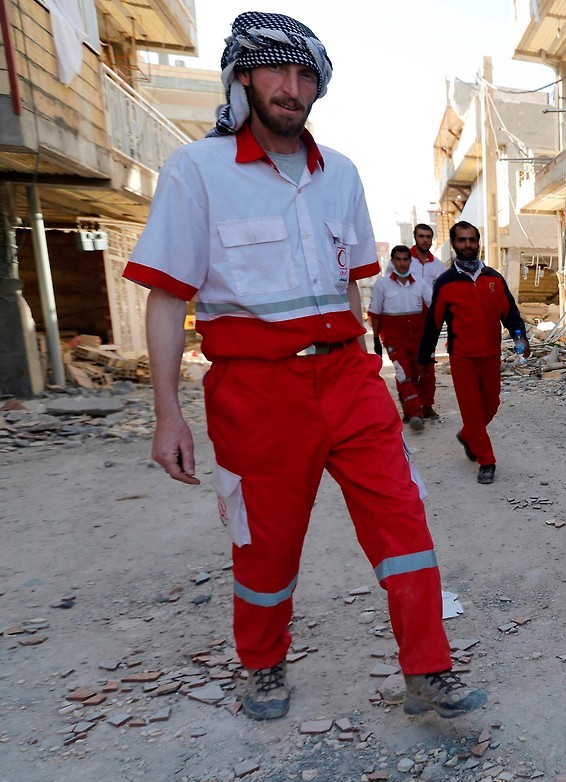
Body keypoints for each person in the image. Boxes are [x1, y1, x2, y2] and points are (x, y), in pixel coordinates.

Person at [122, 11, 484, 722]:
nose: (293, 87)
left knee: (403, 520)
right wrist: (167, 412)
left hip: (348, 377)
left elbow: (349, 286)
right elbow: (167, 298)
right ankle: (262, 664)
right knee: (266, 542)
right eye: (279, 71)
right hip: (255, 391)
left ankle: (427, 669)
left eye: (306, 75)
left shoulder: (340, 174)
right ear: (243, 76)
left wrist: (369, 368)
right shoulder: (196, 172)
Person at [418, 221, 526, 485]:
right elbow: (434, 322)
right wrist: (423, 358)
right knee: (472, 411)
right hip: (462, 357)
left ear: (478, 243)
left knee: (491, 405)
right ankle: (486, 460)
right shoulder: (445, 283)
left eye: (472, 240)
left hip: (490, 355)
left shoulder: (493, 278)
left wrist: (520, 337)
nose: (467, 245)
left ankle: (467, 436)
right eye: (462, 240)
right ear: (454, 244)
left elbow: (510, 313)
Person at [369, 245, 437, 430]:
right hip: (394, 337)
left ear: (410, 261)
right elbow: (375, 313)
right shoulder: (381, 285)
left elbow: (434, 308)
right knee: (402, 373)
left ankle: (424, 407)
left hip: (418, 337)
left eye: (405, 259)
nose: (402, 263)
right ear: (392, 261)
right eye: (398, 259)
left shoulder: (421, 284)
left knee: (421, 373)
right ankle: (414, 413)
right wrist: (375, 339)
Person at [409, 224, 447, 419]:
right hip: (406, 319)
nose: (425, 240)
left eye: (428, 237)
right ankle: (412, 407)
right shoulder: (402, 261)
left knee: (427, 363)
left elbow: (444, 295)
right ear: (414, 237)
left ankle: (427, 406)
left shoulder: (439, 266)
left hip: (428, 321)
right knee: (408, 365)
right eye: (421, 236)